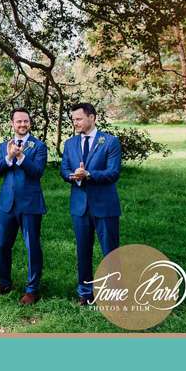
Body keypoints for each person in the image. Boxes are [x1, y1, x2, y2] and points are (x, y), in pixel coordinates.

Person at [60, 103, 122, 306]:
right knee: (83, 252)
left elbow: (113, 173)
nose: (75, 123)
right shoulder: (69, 144)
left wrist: (89, 174)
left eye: (78, 119)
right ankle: (85, 293)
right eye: (73, 119)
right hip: (79, 207)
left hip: (105, 207)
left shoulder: (110, 142)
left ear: (92, 118)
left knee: (110, 252)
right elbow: (64, 170)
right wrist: (74, 176)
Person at [0, 108, 47, 305]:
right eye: (18, 122)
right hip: (7, 204)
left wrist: (21, 157)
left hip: (30, 204)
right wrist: (8, 157)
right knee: (2, 245)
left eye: (26, 121)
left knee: (32, 246)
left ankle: (32, 289)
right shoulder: (5, 145)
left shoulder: (39, 146)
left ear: (30, 123)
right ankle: (4, 283)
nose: (22, 125)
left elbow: (37, 172)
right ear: (12, 124)